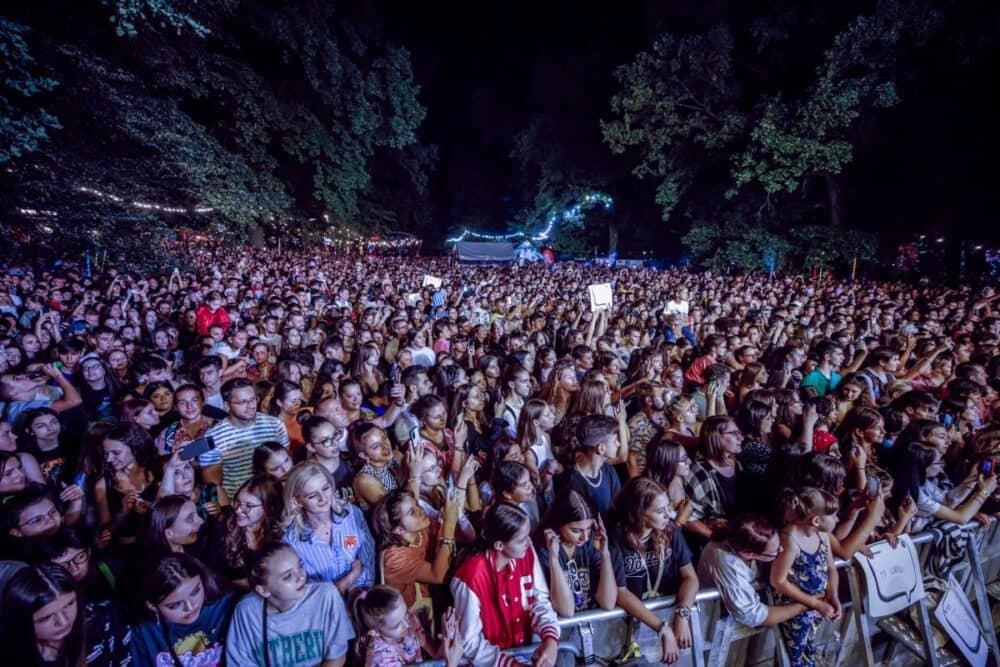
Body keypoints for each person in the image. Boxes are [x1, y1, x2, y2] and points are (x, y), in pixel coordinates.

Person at [450, 502, 561, 667]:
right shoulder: (471, 576)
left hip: (523, 652)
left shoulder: (527, 552)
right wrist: (510, 664)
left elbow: (539, 600)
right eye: (522, 539)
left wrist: (551, 640)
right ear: (499, 545)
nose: (529, 542)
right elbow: (469, 642)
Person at [609, 478, 698, 665]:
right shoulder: (616, 537)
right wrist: (661, 628)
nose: (669, 515)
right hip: (627, 627)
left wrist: (683, 612)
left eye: (668, 507)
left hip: (666, 615)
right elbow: (621, 593)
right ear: (639, 514)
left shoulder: (670, 531)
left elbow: (690, 577)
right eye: (660, 511)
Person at [226, 541, 355, 667]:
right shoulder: (247, 611)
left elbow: (337, 658)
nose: (301, 576)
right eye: (288, 576)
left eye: (300, 566)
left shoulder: (326, 595)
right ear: (263, 590)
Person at [4, 562, 131, 666]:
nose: (63, 622)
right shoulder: (11, 655)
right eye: (46, 618)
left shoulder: (104, 624)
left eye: (69, 604)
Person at [770, 487, 841, 666]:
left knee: (809, 654)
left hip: (816, 609)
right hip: (795, 613)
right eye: (833, 516)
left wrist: (833, 596)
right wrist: (815, 603)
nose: (837, 519)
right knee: (793, 659)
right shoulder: (790, 540)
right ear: (816, 520)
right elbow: (777, 581)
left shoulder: (823, 536)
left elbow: (831, 569)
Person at [697, 515, 808, 628]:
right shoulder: (728, 564)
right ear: (749, 554)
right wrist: (802, 606)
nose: (782, 550)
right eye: (775, 551)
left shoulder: (743, 540)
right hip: (710, 619)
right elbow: (753, 615)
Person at [375, 487, 460, 633]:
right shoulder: (394, 557)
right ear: (399, 530)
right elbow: (438, 575)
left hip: (430, 604)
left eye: (417, 505)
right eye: (412, 512)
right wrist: (449, 524)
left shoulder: (420, 529)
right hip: (407, 623)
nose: (421, 511)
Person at [282, 462, 376, 592]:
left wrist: (358, 596)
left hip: (365, 599)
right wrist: (348, 579)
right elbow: (308, 591)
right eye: (312, 495)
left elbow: (369, 559)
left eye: (325, 488)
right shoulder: (291, 542)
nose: (323, 498)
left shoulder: (352, 514)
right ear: (296, 501)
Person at [131, 553, 237, 667]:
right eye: (174, 605)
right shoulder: (144, 631)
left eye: (195, 592)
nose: (190, 607)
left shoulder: (229, 605)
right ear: (151, 606)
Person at [198, 377, 290, 497]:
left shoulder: (275, 425)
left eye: (253, 399)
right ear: (226, 405)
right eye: (242, 402)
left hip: (275, 495)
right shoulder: (212, 437)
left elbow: (285, 464)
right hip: (240, 502)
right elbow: (214, 485)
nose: (251, 406)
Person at [536, 489, 616, 615]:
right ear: (559, 524)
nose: (585, 537)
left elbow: (608, 603)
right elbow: (566, 611)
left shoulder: (589, 545)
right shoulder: (543, 550)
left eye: (589, 529)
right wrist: (554, 559)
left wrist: (605, 554)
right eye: (576, 531)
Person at [354, 585, 463, 667]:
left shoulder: (410, 621)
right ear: (375, 632)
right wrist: (451, 664)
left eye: (406, 613)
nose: (407, 624)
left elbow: (435, 654)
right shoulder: (379, 661)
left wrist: (447, 639)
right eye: (397, 625)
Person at [554, 414, 622, 518]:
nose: (618, 444)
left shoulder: (609, 471)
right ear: (601, 448)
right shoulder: (571, 483)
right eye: (614, 441)